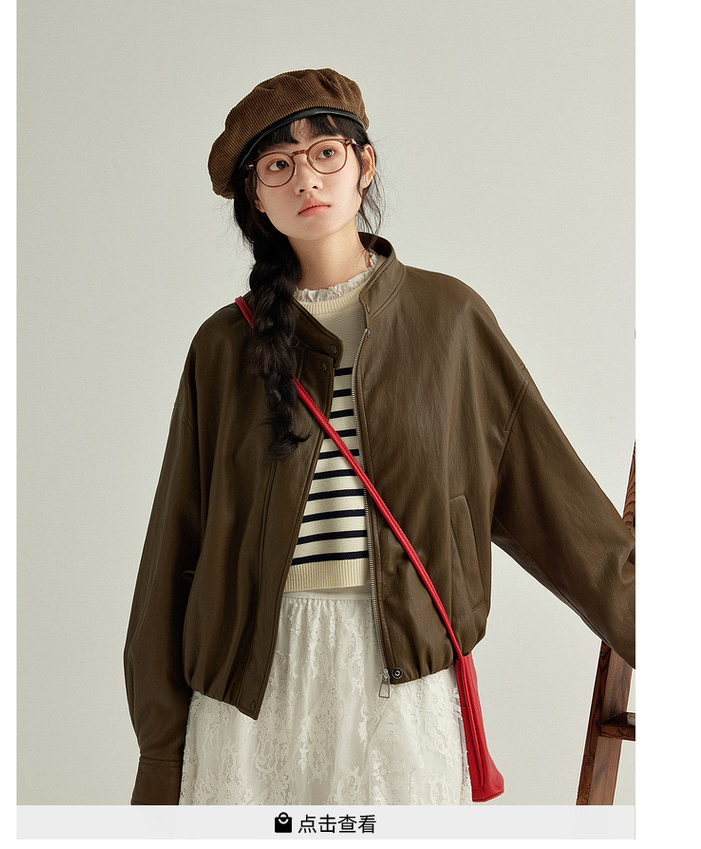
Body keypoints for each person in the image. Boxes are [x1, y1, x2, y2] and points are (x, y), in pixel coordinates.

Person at [123, 68, 635, 806]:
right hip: (246, 695)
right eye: (277, 165)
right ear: (256, 198)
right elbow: (174, 549)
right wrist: (159, 758)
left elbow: (555, 505)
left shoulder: (449, 318)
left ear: (364, 164)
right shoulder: (223, 346)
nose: (306, 178)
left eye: (325, 152)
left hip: (400, 683)